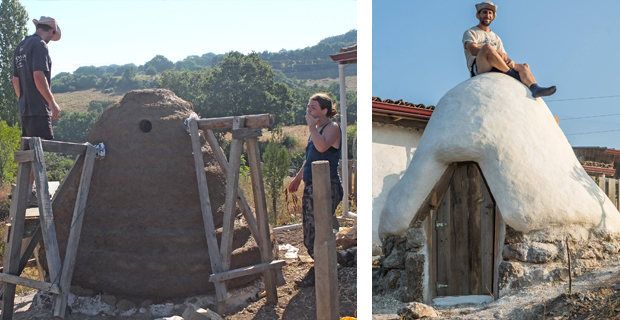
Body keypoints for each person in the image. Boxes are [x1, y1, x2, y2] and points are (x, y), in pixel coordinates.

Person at [288, 93, 344, 285]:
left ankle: (322, 272)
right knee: (310, 229)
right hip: (312, 185)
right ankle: (330, 263)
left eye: (313, 107)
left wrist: (311, 127)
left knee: (318, 230)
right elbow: (310, 159)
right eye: (308, 107)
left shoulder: (332, 128)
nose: (308, 111)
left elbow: (321, 149)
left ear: (324, 110)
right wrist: (297, 179)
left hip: (328, 185)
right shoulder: (317, 130)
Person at [12, 16, 62, 207]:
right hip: (38, 108)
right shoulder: (40, 45)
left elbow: (16, 80)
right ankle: (32, 193)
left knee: (30, 150)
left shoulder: (21, 46)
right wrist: (52, 103)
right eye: (53, 34)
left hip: (25, 107)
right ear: (51, 31)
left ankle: (27, 190)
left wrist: (23, 100)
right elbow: (39, 76)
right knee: (38, 150)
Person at [463, 1, 556, 98]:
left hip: (497, 64)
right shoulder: (471, 32)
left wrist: (510, 61)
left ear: (493, 16)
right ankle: (513, 75)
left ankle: (535, 88)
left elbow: (504, 55)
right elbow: (473, 50)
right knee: (487, 48)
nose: (487, 15)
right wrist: (495, 52)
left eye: (490, 13)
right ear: (478, 15)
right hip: (480, 67)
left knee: (524, 66)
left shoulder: (496, 37)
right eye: (484, 12)